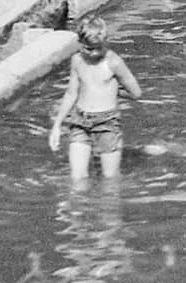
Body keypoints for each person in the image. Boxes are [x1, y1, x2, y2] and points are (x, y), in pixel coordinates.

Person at [48, 15, 142, 181]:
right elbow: (71, 93)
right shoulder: (77, 60)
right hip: (80, 121)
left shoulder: (113, 62)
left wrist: (115, 92)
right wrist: (57, 125)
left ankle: (107, 206)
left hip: (107, 123)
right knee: (77, 177)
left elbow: (136, 93)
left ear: (105, 41)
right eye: (88, 48)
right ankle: (78, 206)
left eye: (97, 48)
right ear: (80, 43)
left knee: (110, 179)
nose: (93, 53)